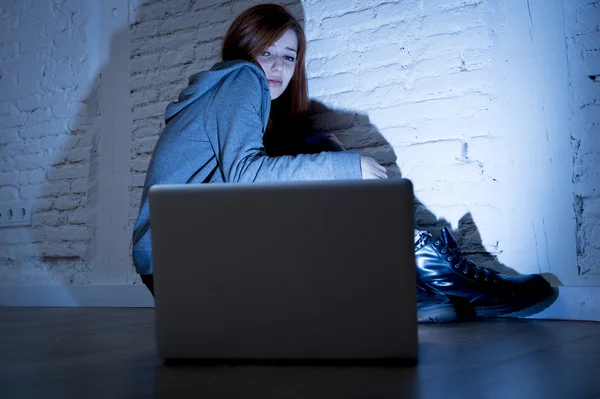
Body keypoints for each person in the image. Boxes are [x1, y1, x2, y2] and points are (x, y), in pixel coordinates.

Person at [132, 3, 554, 322]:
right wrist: (347, 167)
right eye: (267, 52)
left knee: (312, 147)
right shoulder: (242, 78)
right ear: (244, 50)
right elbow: (246, 174)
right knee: (327, 167)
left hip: (179, 270)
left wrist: (324, 156)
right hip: (184, 259)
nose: (277, 67)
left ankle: (419, 285)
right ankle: (437, 272)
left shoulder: (221, 97)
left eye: (289, 57)